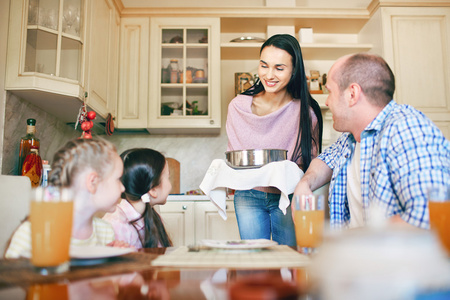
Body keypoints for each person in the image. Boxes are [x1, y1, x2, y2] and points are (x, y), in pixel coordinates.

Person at [294, 53, 450, 230]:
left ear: (352, 94)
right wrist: (304, 184)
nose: (327, 102)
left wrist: (355, 243)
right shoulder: (350, 138)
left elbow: (430, 217)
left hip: (392, 256)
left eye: (330, 91)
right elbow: (325, 161)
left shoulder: (407, 130)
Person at [226, 34, 323, 246]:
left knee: (288, 261)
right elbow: (236, 159)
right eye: (264, 65)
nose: (269, 75)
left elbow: (310, 163)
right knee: (255, 265)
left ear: (294, 70)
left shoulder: (306, 113)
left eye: (279, 68)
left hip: (287, 196)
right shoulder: (238, 106)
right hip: (248, 196)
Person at [5, 138, 129, 258]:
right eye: (118, 179)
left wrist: (113, 262)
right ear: (93, 182)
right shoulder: (32, 233)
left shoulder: (105, 232)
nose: (123, 188)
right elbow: (10, 277)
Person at [103, 148, 172, 248]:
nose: (170, 185)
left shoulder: (150, 214)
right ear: (153, 190)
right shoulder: (117, 226)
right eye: (167, 177)